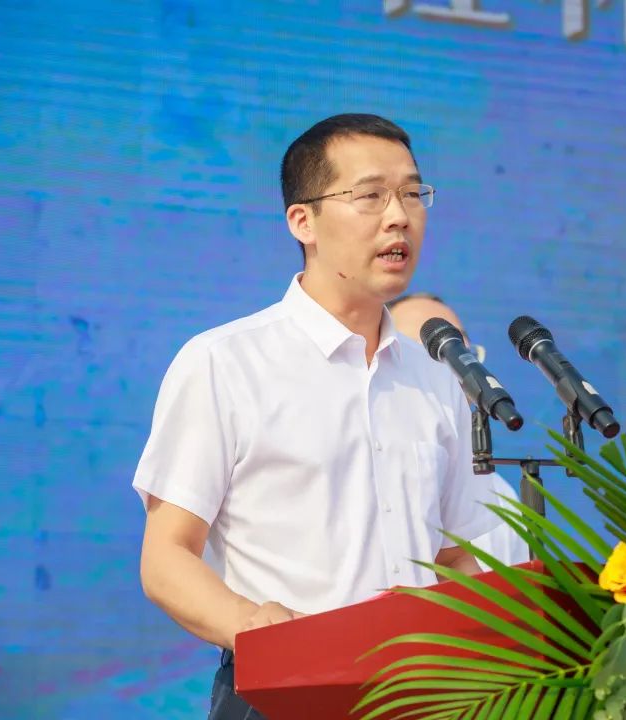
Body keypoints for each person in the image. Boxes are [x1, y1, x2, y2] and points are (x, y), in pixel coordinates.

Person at [133, 114, 497, 720]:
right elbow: (166, 557)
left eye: (412, 193)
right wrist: (255, 625)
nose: (399, 216)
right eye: (371, 195)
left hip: (420, 697)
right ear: (303, 221)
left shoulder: (437, 379)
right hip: (282, 692)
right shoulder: (225, 362)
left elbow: (454, 557)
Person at [388, 292, 531, 570]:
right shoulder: (362, 475)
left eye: (459, 349)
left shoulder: (500, 496)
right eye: (430, 352)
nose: (455, 367)